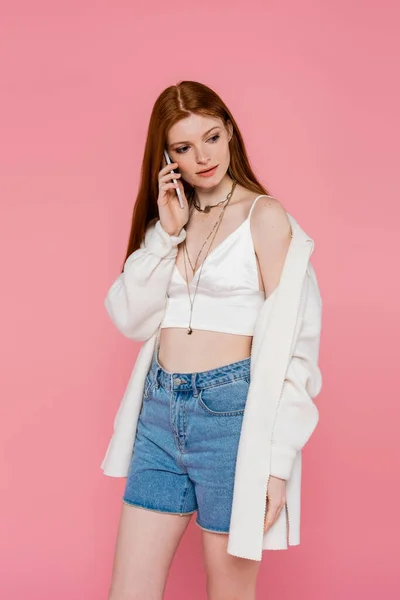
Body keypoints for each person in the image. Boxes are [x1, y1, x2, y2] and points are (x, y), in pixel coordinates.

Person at [102, 80, 323, 600]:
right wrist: (165, 232)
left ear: (231, 135)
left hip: (232, 420)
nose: (202, 157)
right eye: (183, 147)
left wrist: (277, 463)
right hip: (159, 414)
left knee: (228, 592)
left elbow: (297, 348)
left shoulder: (265, 218)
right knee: (128, 590)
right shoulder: (170, 222)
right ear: (166, 156)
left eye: (211, 137)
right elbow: (130, 318)